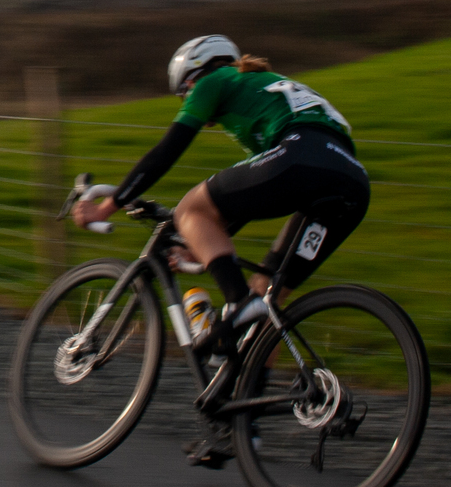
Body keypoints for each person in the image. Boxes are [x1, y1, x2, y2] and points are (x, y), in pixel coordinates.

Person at [73, 34, 370, 352]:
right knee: (268, 294)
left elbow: (167, 151)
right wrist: (198, 242)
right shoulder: (260, 88)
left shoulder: (213, 80)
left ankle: (239, 303)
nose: (187, 100)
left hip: (301, 156)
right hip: (351, 179)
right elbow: (250, 198)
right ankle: (255, 394)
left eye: (184, 93)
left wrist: (107, 207)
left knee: (190, 210)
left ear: (195, 73)